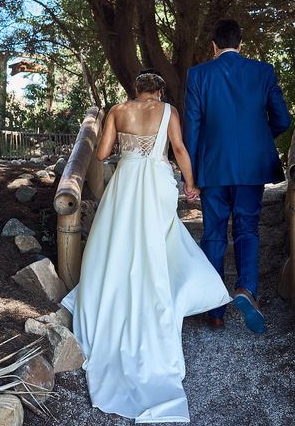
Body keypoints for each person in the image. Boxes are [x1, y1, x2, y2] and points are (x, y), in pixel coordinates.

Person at [61, 72, 231, 423]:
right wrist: (191, 184)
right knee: (156, 245)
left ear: (135, 91)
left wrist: (125, 141)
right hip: (155, 185)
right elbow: (180, 149)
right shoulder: (168, 110)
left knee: (118, 242)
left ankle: (118, 295)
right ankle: (160, 295)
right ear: (159, 91)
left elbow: (104, 152)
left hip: (125, 182)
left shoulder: (118, 110)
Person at [183, 19, 291, 334]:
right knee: (247, 229)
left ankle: (215, 309)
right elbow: (282, 119)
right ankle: (246, 289)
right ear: (240, 45)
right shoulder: (263, 72)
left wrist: (190, 175)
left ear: (213, 46)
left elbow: (192, 128)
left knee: (214, 234)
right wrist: (257, 139)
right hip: (250, 169)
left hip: (212, 168)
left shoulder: (198, 75)